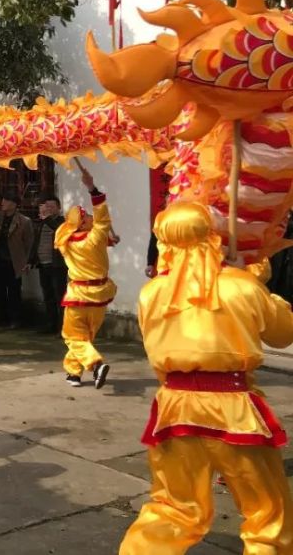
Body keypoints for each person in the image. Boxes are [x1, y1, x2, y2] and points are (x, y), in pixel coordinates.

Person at [120, 203, 293, 554]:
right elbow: (283, 334)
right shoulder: (240, 286)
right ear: (213, 237)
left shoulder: (150, 293)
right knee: (266, 512)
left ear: (164, 242)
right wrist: (262, 288)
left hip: (175, 404)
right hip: (233, 408)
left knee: (173, 508)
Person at [54, 167, 116, 389]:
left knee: (73, 337)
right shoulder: (96, 237)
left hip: (78, 295)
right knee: (83, 337)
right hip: (98, 296)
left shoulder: (65, 243)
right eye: (86, 215)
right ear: (83, 223)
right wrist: (92, 188)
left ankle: (92, 365)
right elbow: (102, 216)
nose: (90, 216)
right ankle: (77, 371)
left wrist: (108, 238)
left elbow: (67, 232)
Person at [0, 192, 34, 328]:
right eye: (2, 199)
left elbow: (29, 243)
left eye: (6, 200)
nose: (2, 202)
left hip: (14, 261)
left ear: (14, 204)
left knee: (14, 291)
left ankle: (15, 319)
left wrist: (27, 261)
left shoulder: (24, 221)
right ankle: (0, 318)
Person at [32, 196, 68, 334]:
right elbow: (36, 241)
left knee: (60, 296)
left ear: (59, 208)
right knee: (48, 296)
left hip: (57, 265)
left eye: (52, 207)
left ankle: (63, 327)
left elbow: (59, 231)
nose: (49, 210)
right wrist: (31, 260)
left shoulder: (62, 222)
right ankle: (51, 325)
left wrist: (47, 219)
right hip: (44, 264)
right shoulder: (42, 222)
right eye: (47, 207)